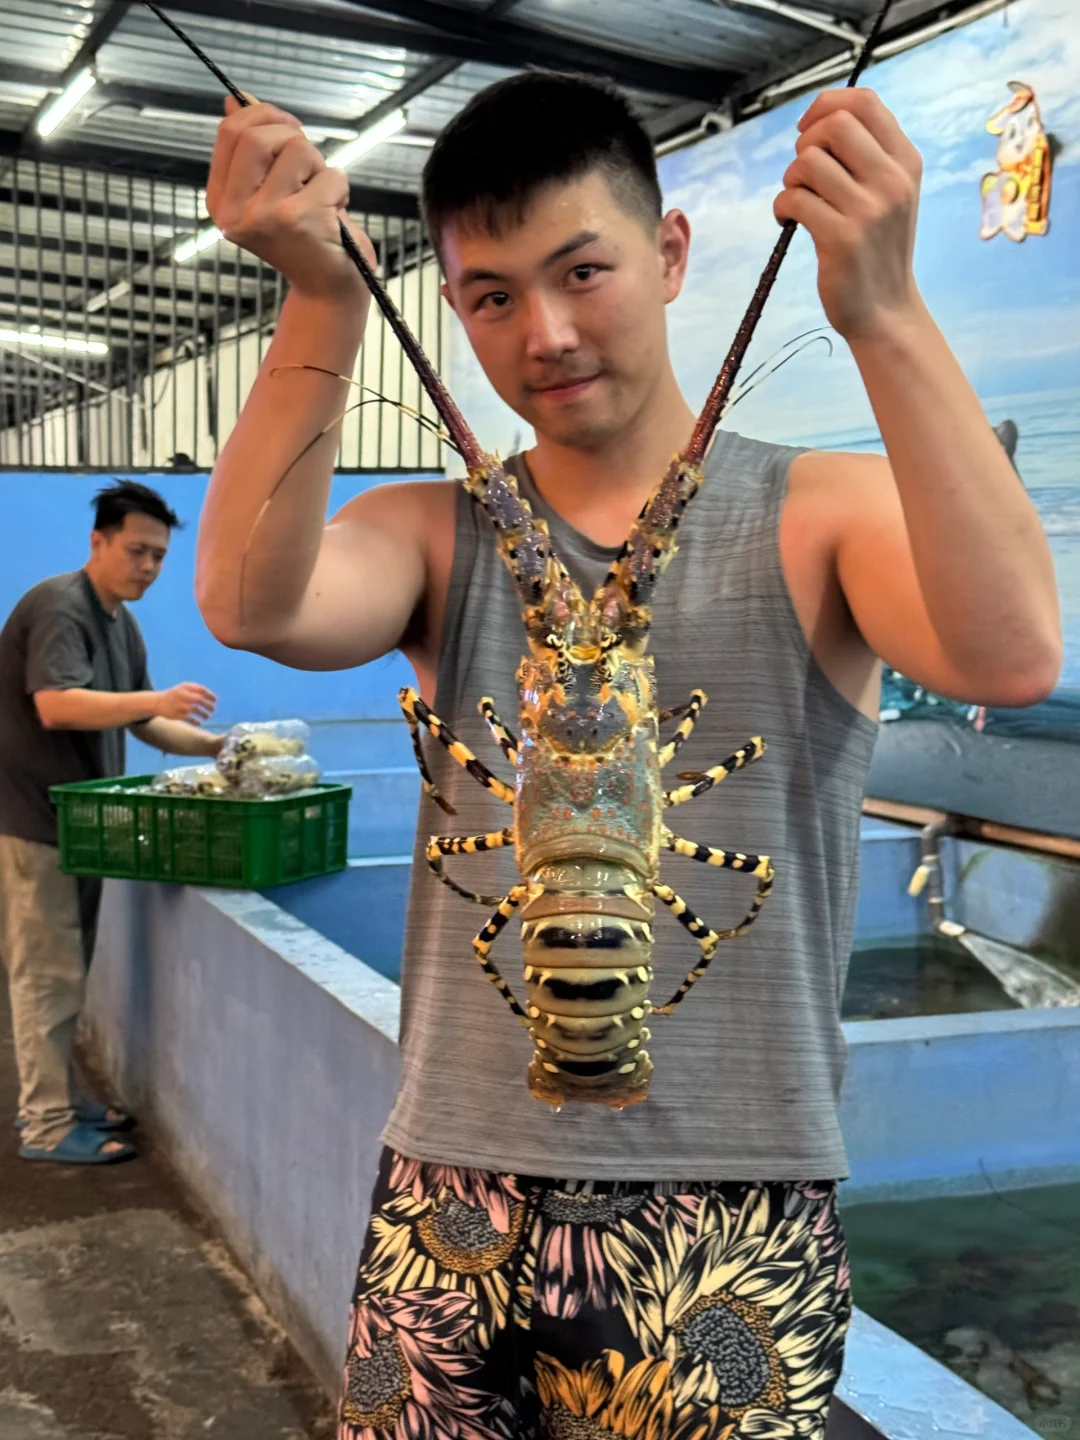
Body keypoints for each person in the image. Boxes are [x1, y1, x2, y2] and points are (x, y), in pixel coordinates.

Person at [197, 72, 1061, 1437]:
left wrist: (886, 309)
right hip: (452, 1182)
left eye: (582, 269)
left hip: (734, 1188)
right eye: (489, 296)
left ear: (666, 257)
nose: (543, 331)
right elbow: (250, 604)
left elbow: (1014, 656)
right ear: (456, 307)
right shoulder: (444, 532)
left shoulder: (817, 511)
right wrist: (321, 299)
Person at [0, 481, 222, 1166]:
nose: (148, 567)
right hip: (35, 817)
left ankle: (58, 1099)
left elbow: (143, 718)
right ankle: (44, 1125)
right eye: (136, 551)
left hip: (82, 821)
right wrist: (155, 697)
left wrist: (228, 750)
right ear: (98, 541)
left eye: (158, 556)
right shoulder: (61, 607)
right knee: (46, 976)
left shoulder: (119, 621)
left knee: (68, 971)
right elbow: (58, 706)